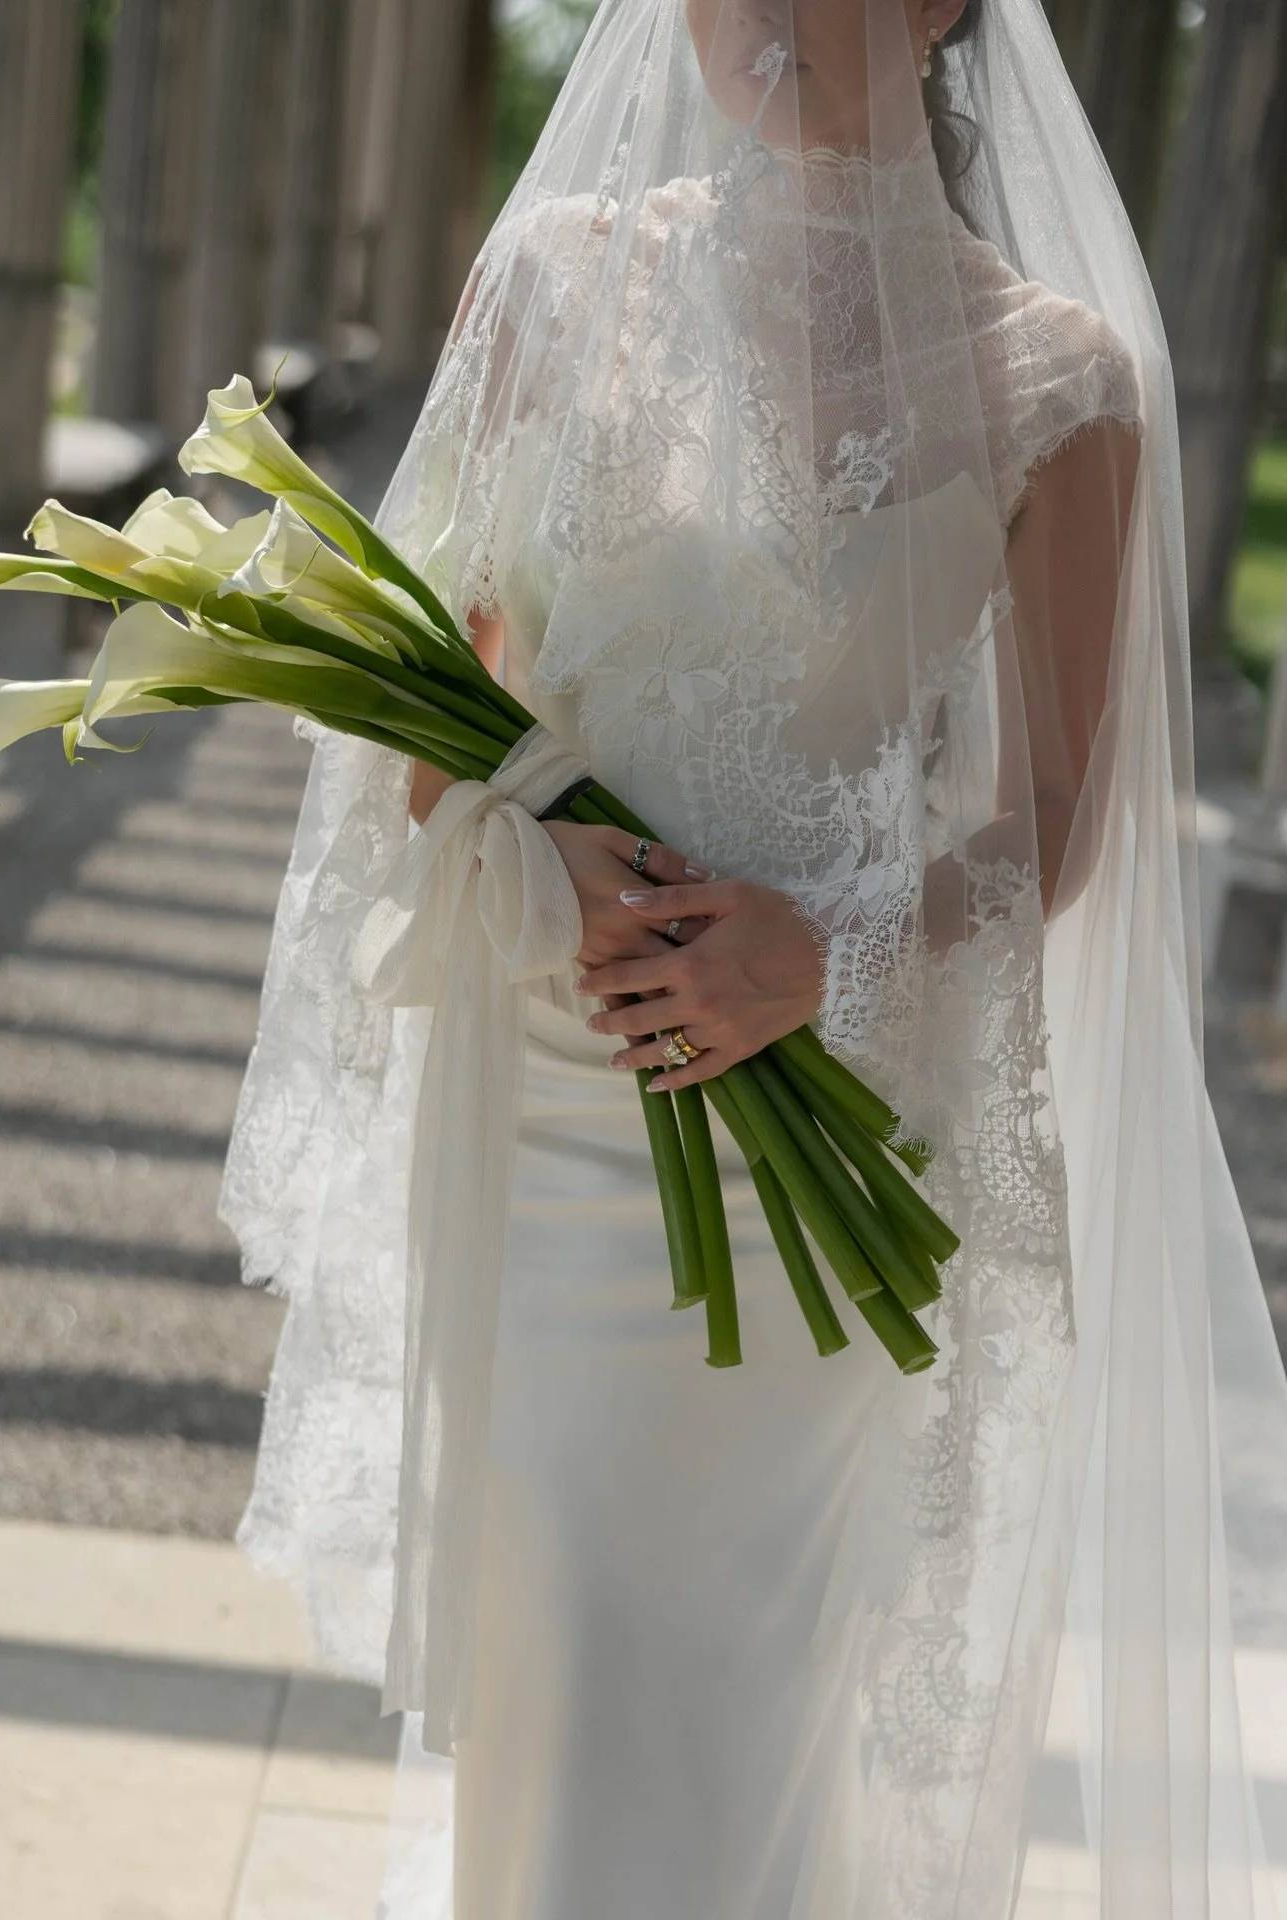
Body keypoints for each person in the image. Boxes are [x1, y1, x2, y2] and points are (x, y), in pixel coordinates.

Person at [223, 1, 1287, 1914]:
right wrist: (546, 851)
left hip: (836, 1169)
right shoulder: (554, 288)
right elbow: (412, 722)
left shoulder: (1065, 388)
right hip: (560, 1131)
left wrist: (832, 950)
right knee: (574, 1683)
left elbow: (1054, 822)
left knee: (747, 1728)